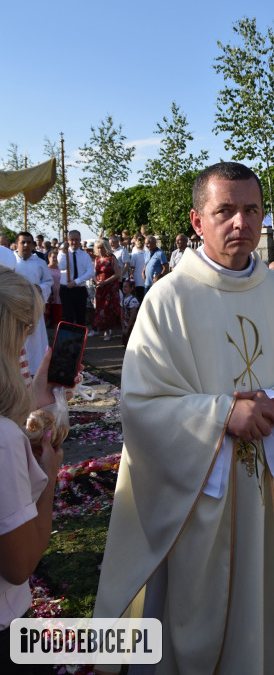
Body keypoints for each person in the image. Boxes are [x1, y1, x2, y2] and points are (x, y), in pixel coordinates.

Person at [94, 162, 274, 674]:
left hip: (269, 494)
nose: (239, 223)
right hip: (200, 498)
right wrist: (223, 414)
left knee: (271, 605)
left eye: (251, 210)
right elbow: (141, 404)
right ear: (198, 220)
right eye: (224, 210)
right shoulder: (168, 300)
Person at [0, 268, 63, 666]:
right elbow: (19, 565)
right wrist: (51, 476)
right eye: (27, 332)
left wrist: (32, 401)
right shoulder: (4, 440)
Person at [13, 232, 53, 375]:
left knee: (35, 342)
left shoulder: (40, 263)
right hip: (14, 310)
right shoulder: (10, 262)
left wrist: (40, 288)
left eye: (29, 242)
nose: (26, 245)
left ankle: (37, 370)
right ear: (16, 244)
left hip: (34, 309)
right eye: (23, 242)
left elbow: (49, 282)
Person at [57, 229, 95, 327]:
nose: (74, 242)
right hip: (66, 289)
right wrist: (63, 252)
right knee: (68, 317)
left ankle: (79, 339)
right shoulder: (63, 254)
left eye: (76, 240)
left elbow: (90, 272)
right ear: (68, 240)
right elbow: (62, 266)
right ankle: (68, 340)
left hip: (79, 289)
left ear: (80, 240)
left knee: (80, 316)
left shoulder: (85, 256)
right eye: (72, 240)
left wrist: (76, 282)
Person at [93, 238, 121, 341]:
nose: (100, 250)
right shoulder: (97, 259)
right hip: (100, 287)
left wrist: (105, 282)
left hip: (110, 286)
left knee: (109, 308)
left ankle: (108, 331)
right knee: (100, 308)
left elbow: (117, 274)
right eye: (98, 248)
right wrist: (97, 282)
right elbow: (94, 273)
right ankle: (101, 328)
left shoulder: (111, 258)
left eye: (102, 248)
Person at [120, 279, 139, 346]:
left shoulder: (133, 300)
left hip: (131, 324)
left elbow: (133, 315)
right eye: (123, 286)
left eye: (126, 286)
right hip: (125, 323)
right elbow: (122, 313)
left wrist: (127, 328)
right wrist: (123, 327)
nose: (124, 288)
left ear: (131, 288)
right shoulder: (123, 299)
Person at [46, 249, 62, 326]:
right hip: (48, 295)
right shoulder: (45, 269)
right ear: (49, 258)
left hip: (58, 296)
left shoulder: (61, 269)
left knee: (57, 316)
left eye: (57, 257)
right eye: (54, 257)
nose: (55, 259)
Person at [129, 235, 146, 303]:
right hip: (144, 279)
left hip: (137, 279)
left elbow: (132, 267)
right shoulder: (147, 254)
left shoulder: (135, 255)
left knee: (138, 296)